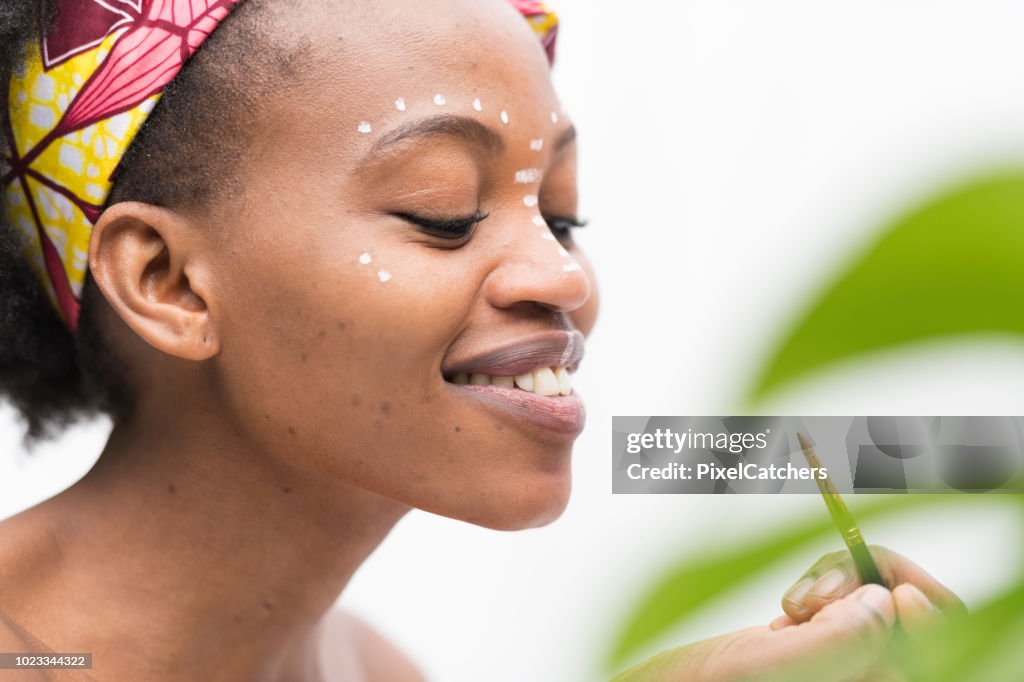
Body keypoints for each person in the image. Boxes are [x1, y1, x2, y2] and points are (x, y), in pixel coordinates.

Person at [0, 0, 964, 680]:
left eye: (563, 214)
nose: (564, 276)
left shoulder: (370, 669)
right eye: (444, 212)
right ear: (168, 282)